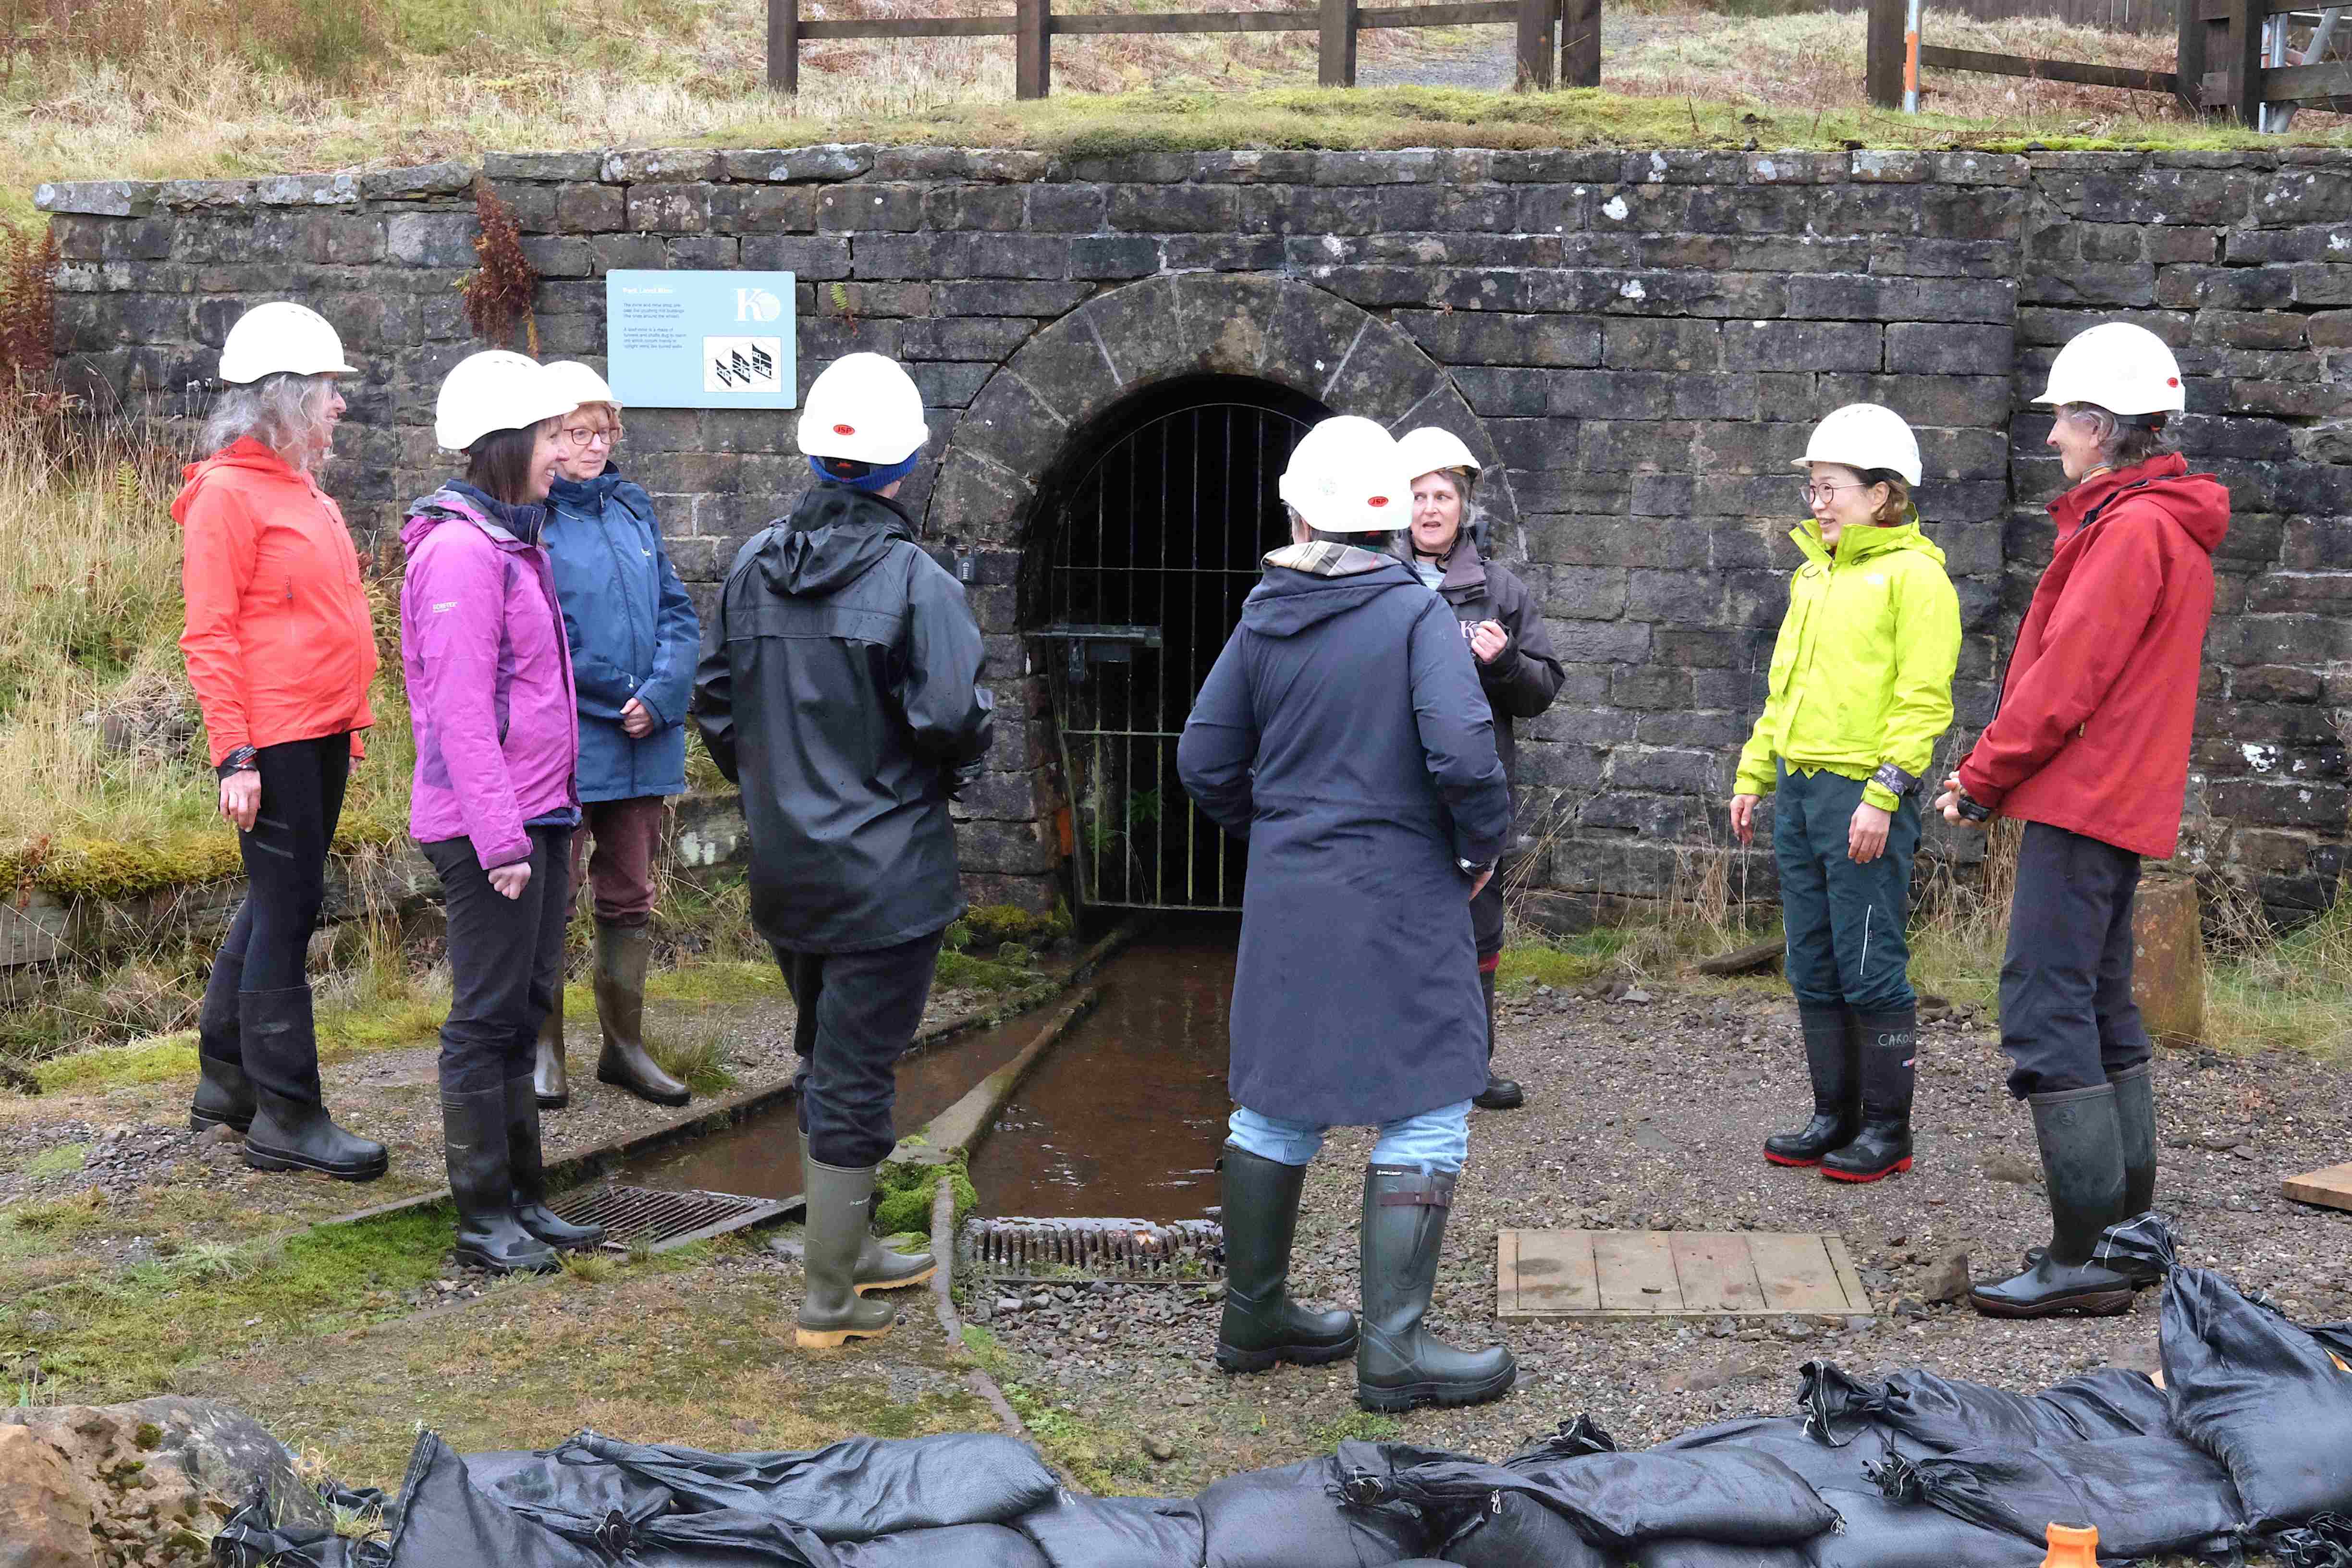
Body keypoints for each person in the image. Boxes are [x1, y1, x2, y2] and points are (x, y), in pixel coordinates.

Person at [1178, 415, 1518, 1414]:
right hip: (1405, 890)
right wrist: (1476, 849)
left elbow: (1203, 759)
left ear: (1298, 515)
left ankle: (1254, 1320)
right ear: (1391, 520)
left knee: (1274, 1101)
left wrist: (1281, 830)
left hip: (1291, 895)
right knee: (1428, 1102)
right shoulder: (1416, 615)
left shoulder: (1262, 617)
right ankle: (1396, 1353)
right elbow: (1465, 755)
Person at [692, 352, 993, 1349]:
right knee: (855, 1070)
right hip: (888, 875)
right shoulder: (917, 582)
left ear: (814, 455)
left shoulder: (751, 565)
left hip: (790, 870)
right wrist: (928, 780)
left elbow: (718, 705)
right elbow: (954, 718)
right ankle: (827, 1297)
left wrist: (777, 791)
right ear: (906, 464)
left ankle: (851, 1245)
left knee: (828, 1053)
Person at [1939, 323, 2228, 1320]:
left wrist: (1982, 776)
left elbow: (2068, 679)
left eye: (2064, 418)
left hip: (2086, 795)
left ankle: (2085, 1256)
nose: (2053, 435)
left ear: (2102, 427)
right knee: (2100, 1004)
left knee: (2045, 1003)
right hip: (2113, 797)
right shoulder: (2157, 524)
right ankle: (2123, 1239)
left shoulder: (2133, 530)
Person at [402, 351, 607, 1274]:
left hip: (539, 815)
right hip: (490, 827)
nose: (563, 453)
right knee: (484, 1021)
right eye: (550, 437)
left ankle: (526, 1199)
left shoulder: (513, 541)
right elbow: (458, 715)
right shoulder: (460, 553)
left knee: (525, 1010)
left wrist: (548, 817)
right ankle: (483, 1218)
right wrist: (500, 839)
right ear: (506, 443)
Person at [176, 301, 388, 1183]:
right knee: (289, 911)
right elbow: (210, 634)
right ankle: (288, 1117)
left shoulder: (302, 491)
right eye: (328, 388)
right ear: (286, 396)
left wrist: (347, 722)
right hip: (276, 741)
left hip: (323, 730)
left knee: (274, 904)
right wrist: (236, 754)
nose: (340, 403)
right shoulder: (228, 496)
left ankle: (226, 1084)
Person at [1730, 405, 1960, 1185]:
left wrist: (1884, 793)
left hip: (1860, 796)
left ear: (1882, 494)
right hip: (1798, 791)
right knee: (1813, 960)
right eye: (1814, 489)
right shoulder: (1813, 576)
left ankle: (1888, 1130)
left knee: (1869, 962)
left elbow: (1923, 700)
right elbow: (1784, 690)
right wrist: (1755, 775)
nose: (1818, 503)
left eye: (1832, 488)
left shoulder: (1918, 578)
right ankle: (1834, 1117)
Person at [533, 361, 701, 1112]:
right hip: (569, 739)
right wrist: (617, 697)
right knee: (552, 894)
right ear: (548, 437)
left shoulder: (634, 508)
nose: (596, 445)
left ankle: (623, 1049)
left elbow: (677, 611)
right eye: (578, 433)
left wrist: (662, 694)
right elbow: (540, 632)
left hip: (643, 735)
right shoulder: (532, 518)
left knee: (630, 892)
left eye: (603, 431)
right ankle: (544, 1052)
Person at [1394, 427, 1565, 1112]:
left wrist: (1506, 662)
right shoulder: (1377, 583)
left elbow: (1542, 692)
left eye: (1443, 495)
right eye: (1418, 496)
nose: (1430, 509)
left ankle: (1470, 1068)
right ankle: (1396, 1068)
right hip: (1395, 786)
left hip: (1473, 788)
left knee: (1477, 928)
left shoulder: (1501, 591)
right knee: (1396, 924)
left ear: (1463, 505)